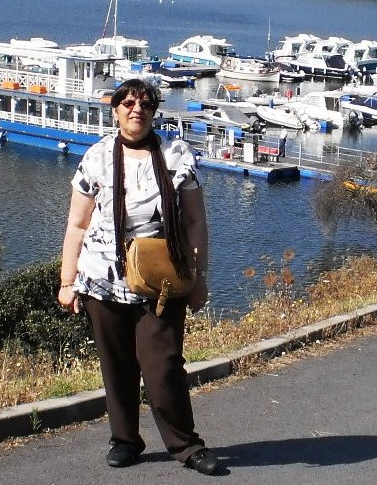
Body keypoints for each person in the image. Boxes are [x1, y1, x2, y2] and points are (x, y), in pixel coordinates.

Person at [57, 78, 222, 475]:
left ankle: (186, 444)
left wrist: (199, 279)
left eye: (146, 104)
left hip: (161, 281)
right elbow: (77, 224)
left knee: (164, 366)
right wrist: (67, 281)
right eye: (129, 103)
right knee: (116, 366)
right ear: (115, 110)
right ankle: (125, 439)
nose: (137, 110)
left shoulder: (176, 155)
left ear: (154, 111)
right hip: (102, 280)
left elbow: (196, 221)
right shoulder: (97, 157)